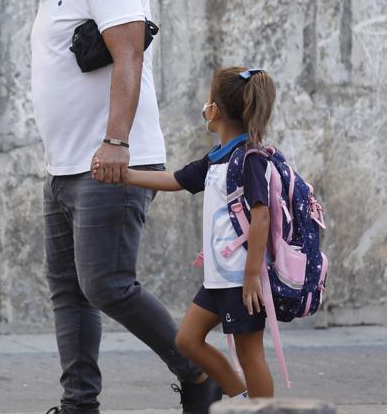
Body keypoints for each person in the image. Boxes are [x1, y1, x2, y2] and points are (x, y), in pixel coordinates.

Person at [0, 0, 220, 414]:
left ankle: (198, 370)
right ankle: (79, 406)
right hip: (67, 165)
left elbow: (129, 57)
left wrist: (115, 141)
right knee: (70, 292)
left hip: (112, 161)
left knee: (108, 284)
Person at [94, 67, 278, 401]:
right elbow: (176, 180)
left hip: (241, 280)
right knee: (187, 340)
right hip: (218, 279)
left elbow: (261, 215)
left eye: (209, 100)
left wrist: (253, 275)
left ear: (215, 111)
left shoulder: (249, 159)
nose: (205, 106)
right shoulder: (217, 158)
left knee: (251, 355)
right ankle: (238, 400)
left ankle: (260, 411)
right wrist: (123, 176)